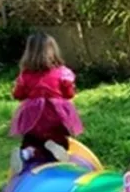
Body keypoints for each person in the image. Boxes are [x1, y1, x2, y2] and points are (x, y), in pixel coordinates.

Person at [9, 32, 84, 174]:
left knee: (32, 139)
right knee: (59, 138)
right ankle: (57, 147)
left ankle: (26, 153)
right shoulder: (62, 72)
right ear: (53, 51)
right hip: (56, 115)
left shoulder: (25, 75)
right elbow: (69, 94)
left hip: (33, 117)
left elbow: (18, 95)